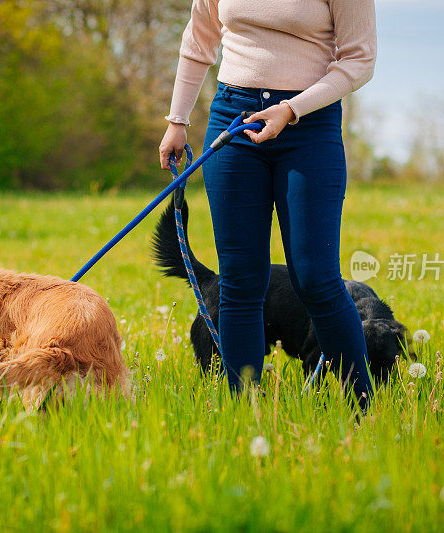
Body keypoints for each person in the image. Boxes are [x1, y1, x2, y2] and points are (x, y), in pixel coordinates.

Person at [158, 0, 377, 408]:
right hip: (233, 121)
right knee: (240, 282)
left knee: (317, 280)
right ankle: (246, 415)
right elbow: (198, 40)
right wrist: (177, 120)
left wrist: (292, 109)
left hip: (309, 125)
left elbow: (359, 59)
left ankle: (362, 409)